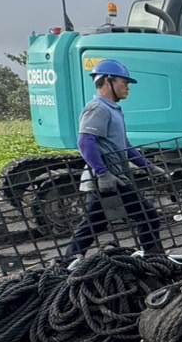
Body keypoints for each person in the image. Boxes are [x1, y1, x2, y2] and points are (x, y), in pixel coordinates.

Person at [65, 59, 164, 258]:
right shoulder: (98, 108)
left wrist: (148, 166)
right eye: (124, 82)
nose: (127, 87)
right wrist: (103, 174)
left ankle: (68, 260)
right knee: (147, 215)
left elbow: (125, 146)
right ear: (108, 81)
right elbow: (85, 142)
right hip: (106, 180)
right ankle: (154, 258)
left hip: (116, 178)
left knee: (96, 223)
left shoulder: (113, 110)